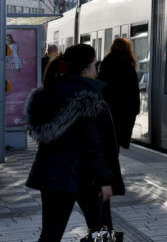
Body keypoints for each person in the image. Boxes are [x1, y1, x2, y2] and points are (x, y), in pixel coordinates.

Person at [23, 44, 124, 241]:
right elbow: (94, 145)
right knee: (102, 232)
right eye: (95, 65)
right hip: (86, 177)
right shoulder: (87, 98)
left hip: (53, 176)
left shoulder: (50, 92)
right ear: (84, 69)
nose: (97, 71)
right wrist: (105, 181)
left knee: (50, 234)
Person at [97, 37, 140, 149]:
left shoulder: (106, 62)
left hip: (109, 107)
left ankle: (111, 164)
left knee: (109, 141)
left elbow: (101, 85)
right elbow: (134, 90)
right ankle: (114, 163)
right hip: (125, 110)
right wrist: (135, 109)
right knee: (117, 142)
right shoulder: (128, 64)